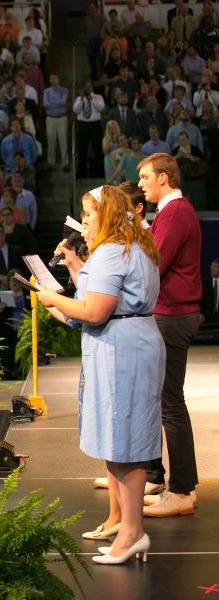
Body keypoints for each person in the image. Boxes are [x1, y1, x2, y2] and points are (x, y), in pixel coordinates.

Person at [37, 185, 164, 565]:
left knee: (127, 440)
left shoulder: (112, 251)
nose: (85, 221)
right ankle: (127, 527)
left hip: (124, 352)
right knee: (118, 440)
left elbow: (94, 310)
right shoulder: (130, 247)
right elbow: (97, 301)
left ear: (106, 215)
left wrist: (53, 298)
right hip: (121, 346)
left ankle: (132, 531)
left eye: (89, 215)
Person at [136, 153, 202, 517]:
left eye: (145, 177)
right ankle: (167, 482)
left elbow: (155, 261)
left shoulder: (176, 212)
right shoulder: (170, 212)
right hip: (171, 313)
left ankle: (182, 489)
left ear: (163, 178)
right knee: (165, 401)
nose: (142, 183)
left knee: (170, 403)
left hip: (174, 315)